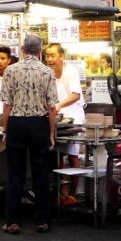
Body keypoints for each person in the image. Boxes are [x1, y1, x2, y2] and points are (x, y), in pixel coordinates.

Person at [0, 34, 58, 234]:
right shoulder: (47, 72)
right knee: (40, 173)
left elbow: (6, 105)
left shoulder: (10, 70)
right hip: (39, 124)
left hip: (16, 123)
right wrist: (51, 132)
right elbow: (52, 108)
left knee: (15, 173)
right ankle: (42, 219)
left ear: (23, 50)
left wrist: (5, 129)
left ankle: (12, 221)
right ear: (40, 51)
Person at [45, 42, 86, 206]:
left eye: (52, 55)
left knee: (73, 155)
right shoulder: (48, 73)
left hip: (74, 116)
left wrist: (59, 105)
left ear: (61, 56)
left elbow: (76, 95)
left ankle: (73, 193)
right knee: (58, 154)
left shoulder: (71, 71)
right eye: (47, 55)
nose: (49, 59)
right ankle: (61, 192)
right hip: (58, 117)